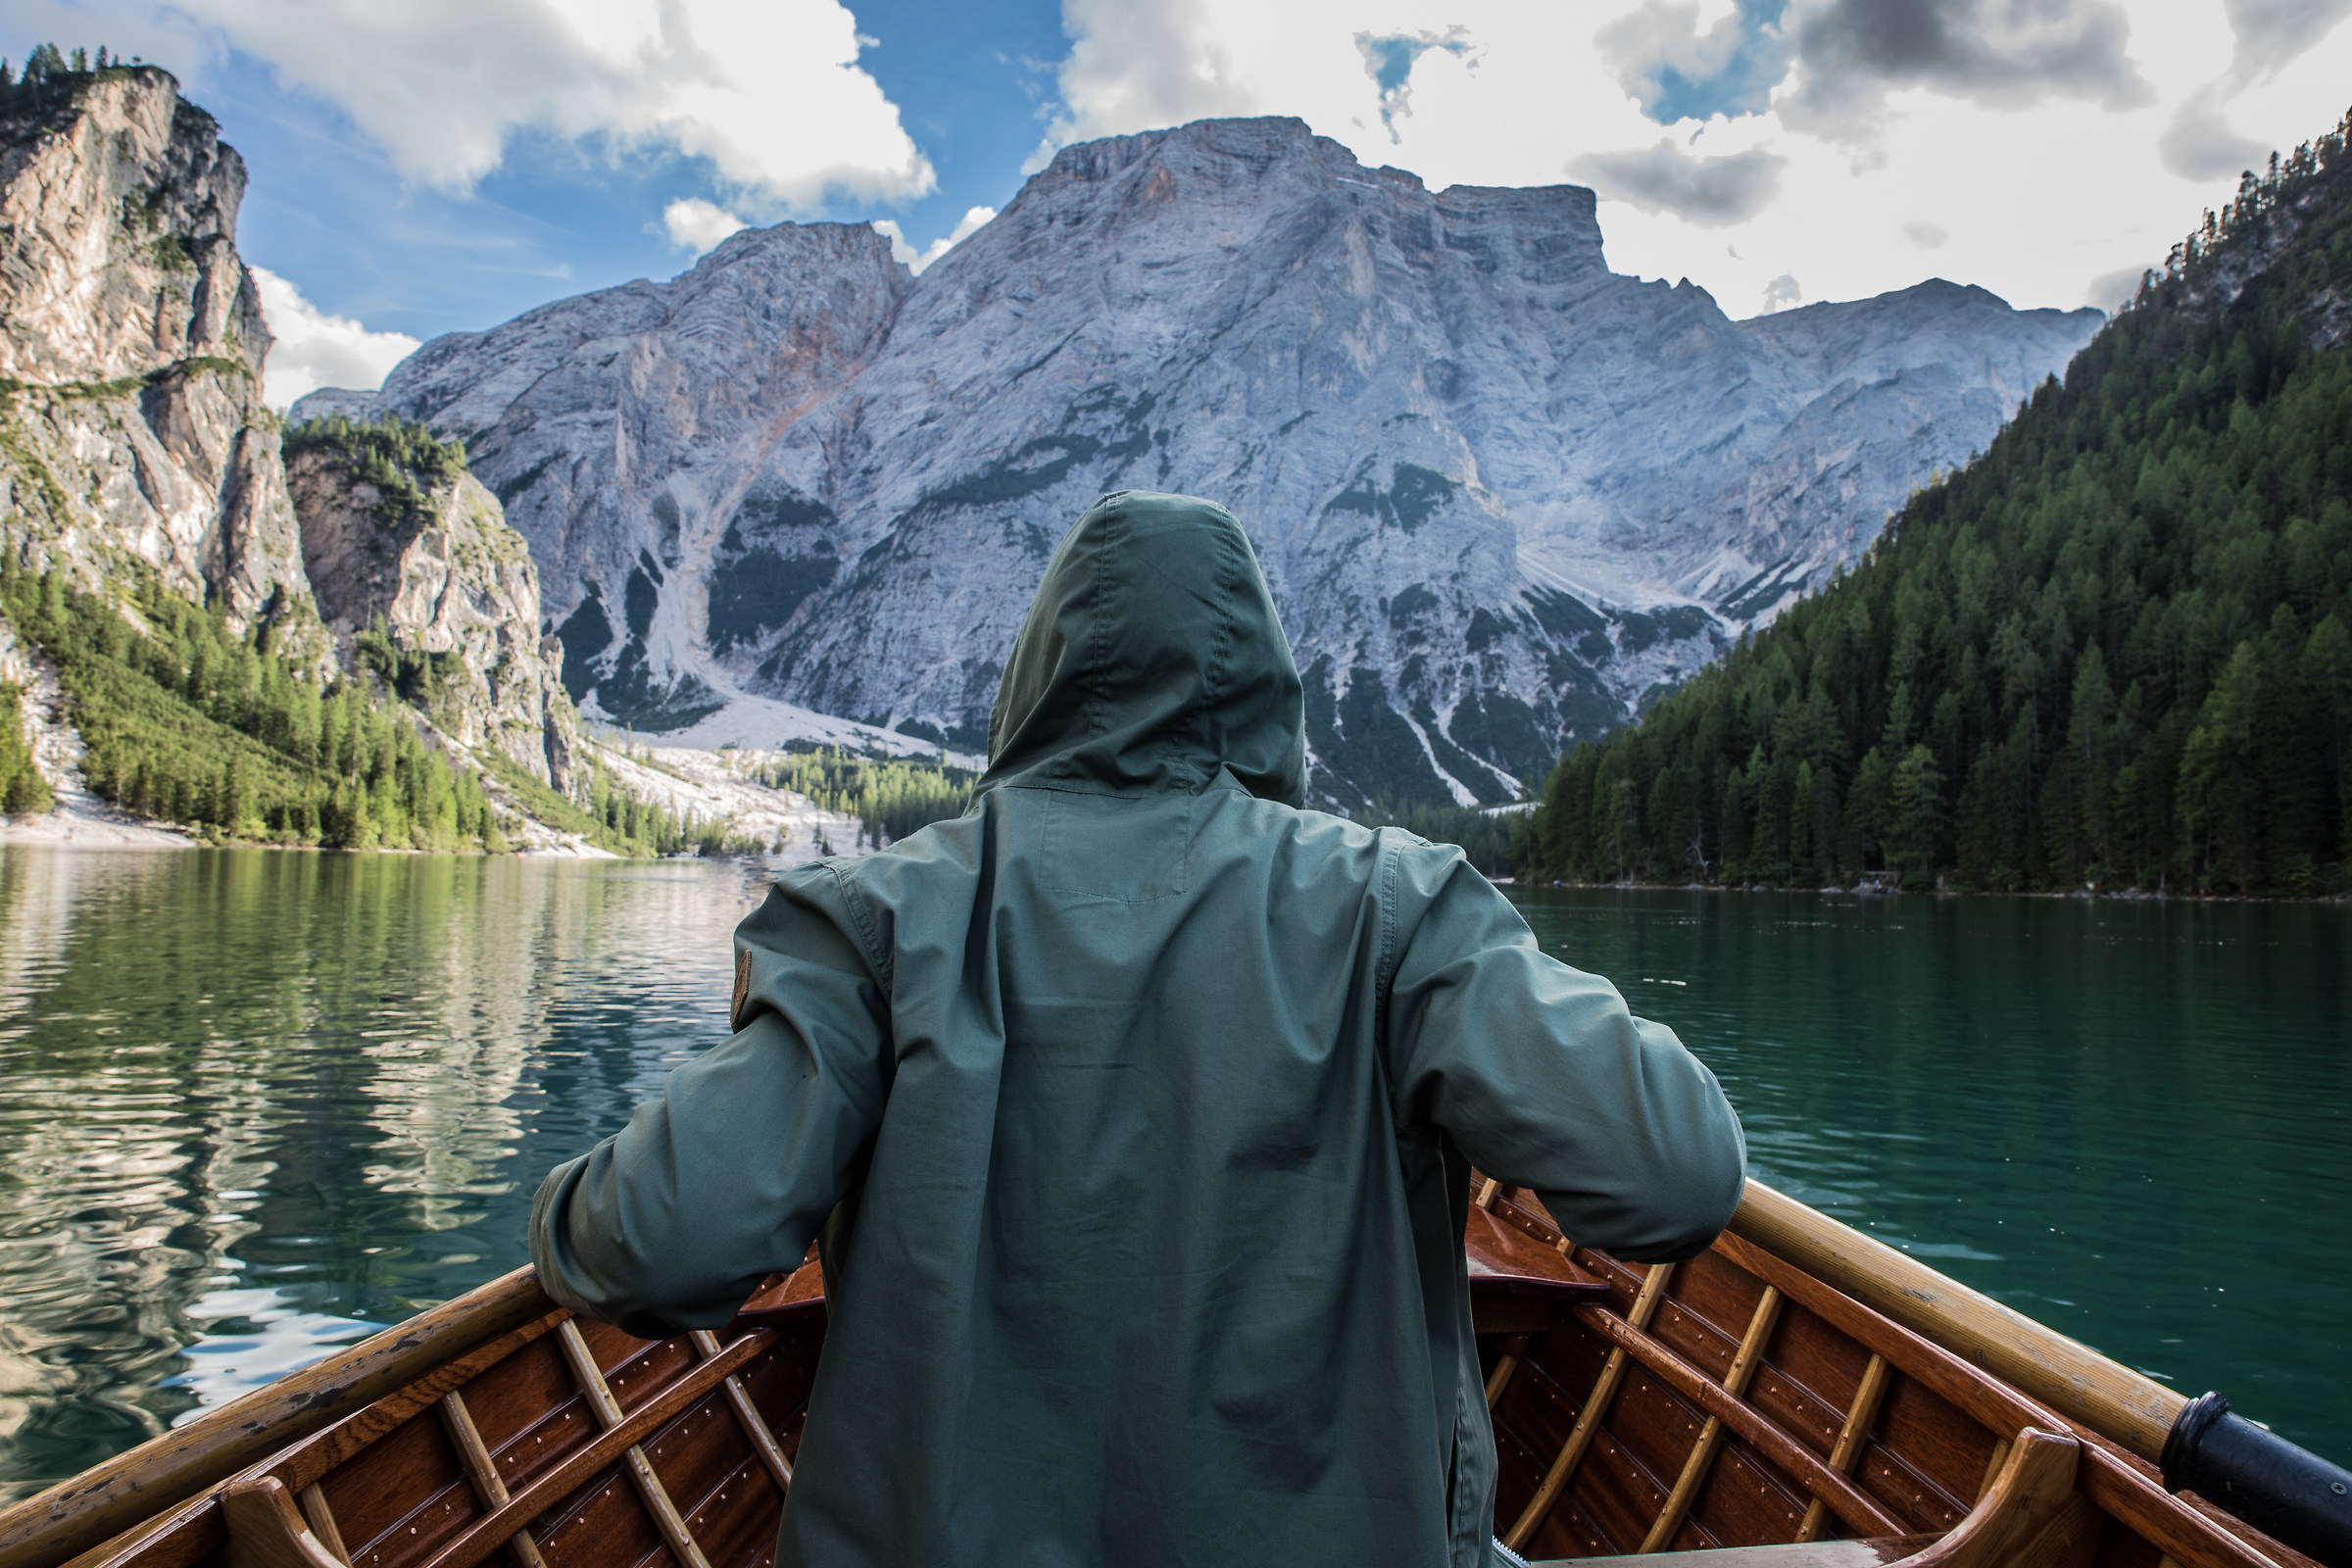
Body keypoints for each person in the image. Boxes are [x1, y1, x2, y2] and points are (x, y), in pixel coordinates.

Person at [530, 490, 1747, 1568]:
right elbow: (1677, 1176)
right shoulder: (1395, 904)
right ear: (1266, 685)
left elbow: (656, 1246)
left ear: (1036, 679)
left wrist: (555, 1215)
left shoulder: (875, 915)